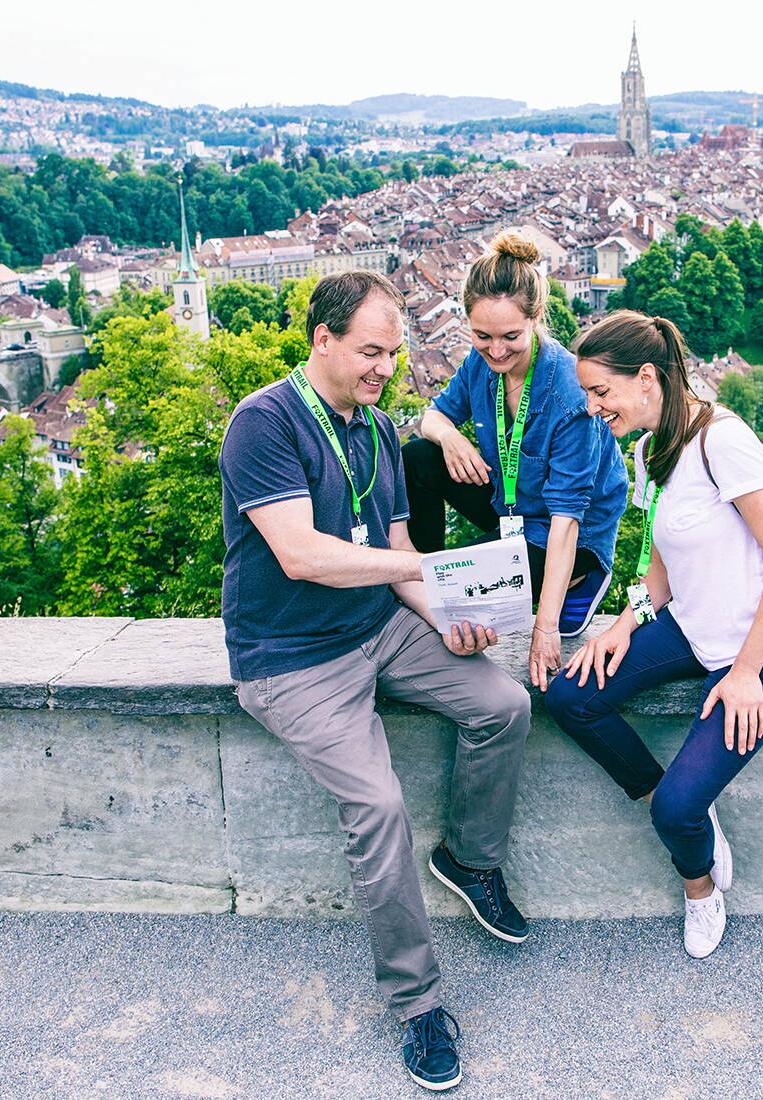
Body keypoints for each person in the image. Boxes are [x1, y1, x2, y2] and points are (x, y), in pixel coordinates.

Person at [219, 270, 531, 1091]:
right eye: (369, 352)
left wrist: (446, 614)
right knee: (378, 805)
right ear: (321, 338)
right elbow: (302, 555)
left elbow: (395, 553)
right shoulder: (264, 423)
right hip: (292, 660)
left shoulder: (375, 431)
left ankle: (470, 860)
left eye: (392, 354)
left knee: (503, 703)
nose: (383, 369)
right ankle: (418, 1004)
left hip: (377, 628)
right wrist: (423, 567)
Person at [544, 310, 763, 959]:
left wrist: (747, 672)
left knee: (674, 814)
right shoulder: (652, 448)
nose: (592, 407)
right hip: (692, 631)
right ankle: (683, 797)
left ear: (645, 378)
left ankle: (700, 887)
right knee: (569, 695)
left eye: (600, 392)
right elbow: (663, 558)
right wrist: (626, 621)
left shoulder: (723, 441)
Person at [403, 230, 628, 690]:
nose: (497, 350)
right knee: (417, 458)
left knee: (460, 584)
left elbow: (566, 519)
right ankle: (418, 574)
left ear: (536, 319)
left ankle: (582, 575)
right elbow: (432, 418)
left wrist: (542, 630)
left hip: (566, 529)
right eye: (482, 336)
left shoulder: (569, 395)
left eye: (511, 337)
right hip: (512, 505)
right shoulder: (480, 362)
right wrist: (449, 437)